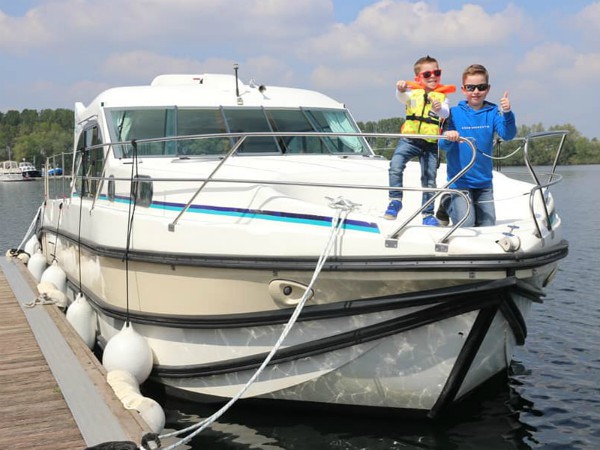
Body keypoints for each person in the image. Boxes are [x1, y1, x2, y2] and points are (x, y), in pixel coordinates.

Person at [437, 63, 516, 227]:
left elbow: (507, 135)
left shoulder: (493, 112)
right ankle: (447, 203)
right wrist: (448, 136)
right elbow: (442, 145)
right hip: (460, 182)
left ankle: (451, 202)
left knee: (488, 226)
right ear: (463, 89)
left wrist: (507, 113)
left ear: (487, 88)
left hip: (484, 183)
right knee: (467, 224)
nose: (476, 92)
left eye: (481, 87)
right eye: (470, 87)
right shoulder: (452, 113)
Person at [384, 55, 455, 224]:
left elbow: (445, 113)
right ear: (418, 78)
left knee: (429, 180)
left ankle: (427, 215)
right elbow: (402, 98)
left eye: (436, 72)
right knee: (395, 166)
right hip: (409, 140)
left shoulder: (442, 97)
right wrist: (400, 89)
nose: (432, 76)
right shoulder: (411, 92)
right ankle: (395, 200)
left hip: (430, 144)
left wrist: (438, 109)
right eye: (427, 74)